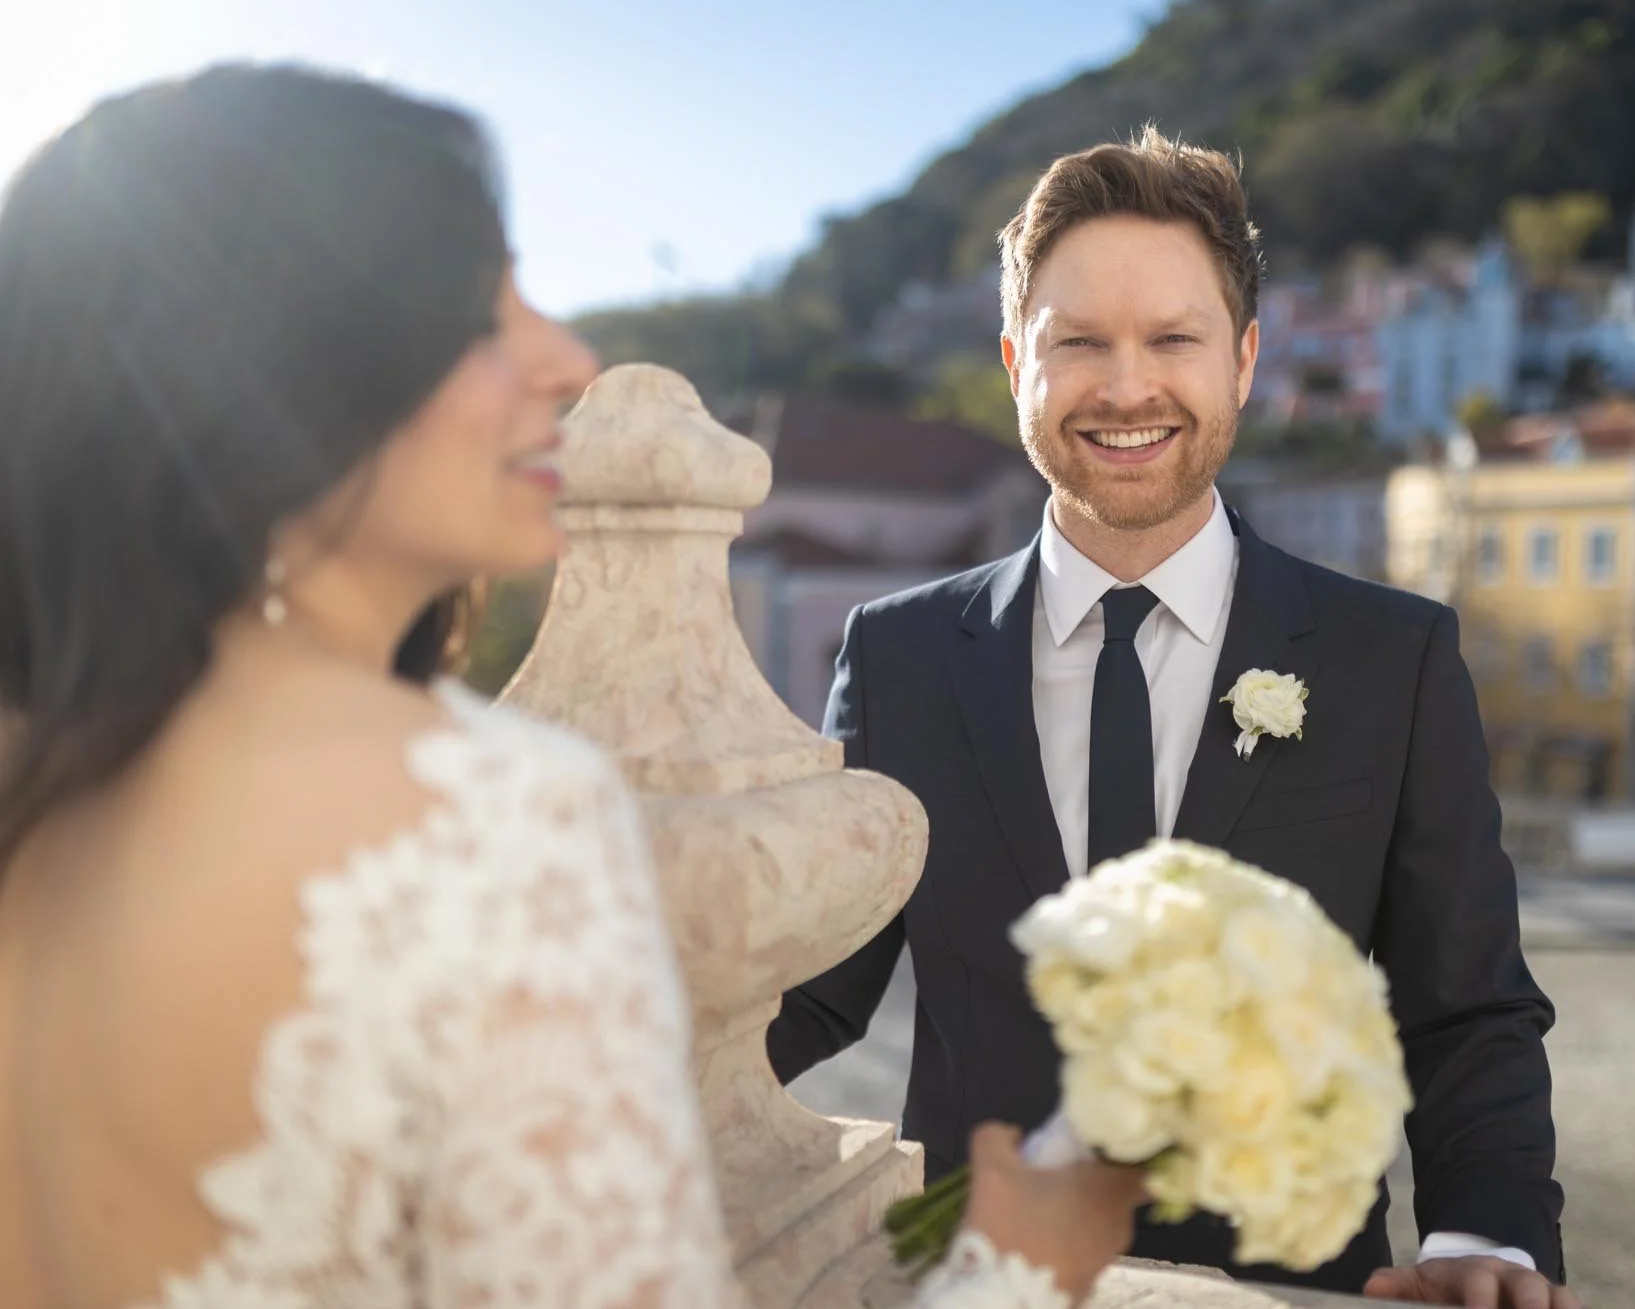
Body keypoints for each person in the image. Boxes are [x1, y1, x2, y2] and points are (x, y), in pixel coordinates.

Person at [0, 64, 1140, 1309]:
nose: (564, 359)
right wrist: (1018, 1269)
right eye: (481, 316)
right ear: (262, 373)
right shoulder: (498, 821)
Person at [769, 129, 1581, 1309]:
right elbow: (809, 983)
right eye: (1079, 342)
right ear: (1013, 364)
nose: (1127, 385)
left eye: (1173, 339)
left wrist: (1489, 1237)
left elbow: (1464, 1008)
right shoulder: (895, 658)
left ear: (1243, 361)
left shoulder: (1389, 661)